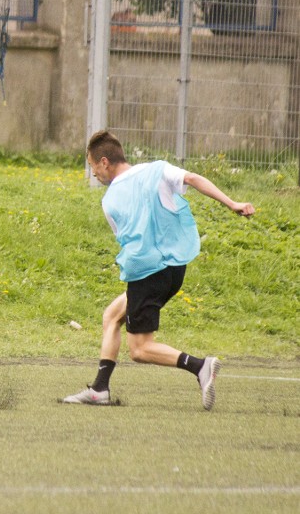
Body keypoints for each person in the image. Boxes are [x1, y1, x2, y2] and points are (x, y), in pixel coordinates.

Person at [63, 130, 255, 410]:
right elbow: (192, 178)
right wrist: (232, 203)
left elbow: (126, 240)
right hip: (174, 268)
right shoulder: (157, 170)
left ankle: (200, 366)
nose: (93, 174)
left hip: (148, 272)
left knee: (139, 349)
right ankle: (100, 388)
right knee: (112, 315)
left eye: (92, 167)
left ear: (104, 162)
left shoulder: (109, 201)